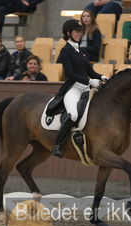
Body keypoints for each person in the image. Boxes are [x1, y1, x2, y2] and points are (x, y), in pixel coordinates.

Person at [46, 19, 107, 158]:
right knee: (73, 114)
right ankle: (58, 145)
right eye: (76, 31)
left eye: (80, 31)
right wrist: (90, 81)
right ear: (69, 33)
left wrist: (103, 77)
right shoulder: (65, 50)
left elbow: (91, 72)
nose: (79, 34)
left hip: (86, 88)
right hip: (73, 89)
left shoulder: (81, 50)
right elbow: (71, 74)